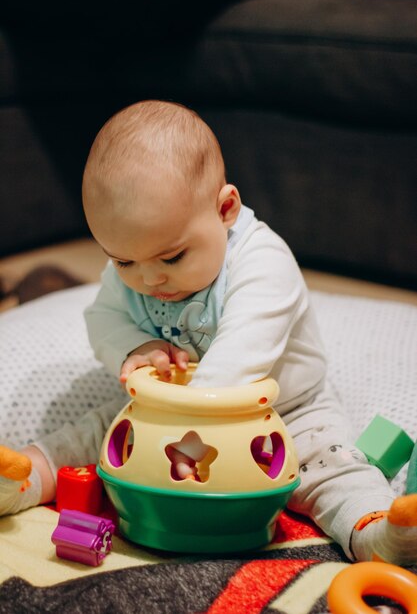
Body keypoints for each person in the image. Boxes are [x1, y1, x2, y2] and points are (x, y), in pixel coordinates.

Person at [1, 99, 417, 565]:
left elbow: (242, 354)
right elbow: (101, 318)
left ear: (226, 210)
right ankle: (24, 477)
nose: (148, 280)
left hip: (284, 414)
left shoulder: (262, 262)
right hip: (164, 410)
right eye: (122, 260)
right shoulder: (137, 262)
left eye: (172, 257)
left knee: (333, 468)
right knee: (94, 433)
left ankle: (377, 533)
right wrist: (134, 347)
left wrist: (185, 439)